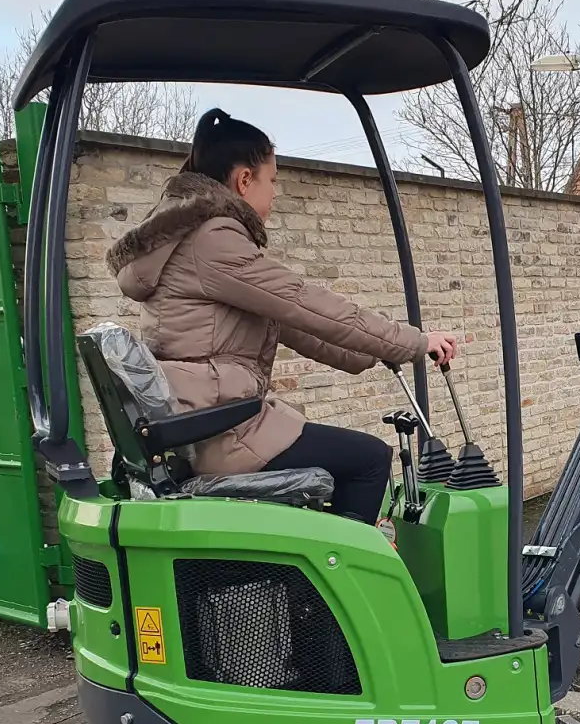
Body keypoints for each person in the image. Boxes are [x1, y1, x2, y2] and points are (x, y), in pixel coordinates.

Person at [106, 108, 456, 525]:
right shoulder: (213, 240)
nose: (275, 192)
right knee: (370, 459)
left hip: (204, 420)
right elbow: (305, 303)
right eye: (272, 180)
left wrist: (373, 352)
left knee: (345, 456)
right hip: (222, 431)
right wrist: (415, 341)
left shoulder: (189, 240)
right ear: (244, 180)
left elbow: (289, 322)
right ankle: (338, 566)